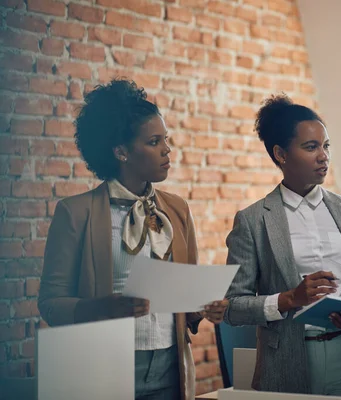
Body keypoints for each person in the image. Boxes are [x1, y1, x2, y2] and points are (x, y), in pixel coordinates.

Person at [38, 79, 229, 400]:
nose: (167, 149)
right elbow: (51, 304)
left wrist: (202, 309)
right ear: (121, 151)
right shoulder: (75, 213)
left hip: (172, 364)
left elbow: (184, 298)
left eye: (166, 139)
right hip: (103, 364)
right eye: (154, 141)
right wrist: (102, 307)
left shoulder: (178, 210)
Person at [224, 94, 341, 399]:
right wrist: (288, 299)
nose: (323, 156)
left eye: (326, 146)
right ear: (281, 154)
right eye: (311, 147)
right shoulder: (253, 220)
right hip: (288, 362)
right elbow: (232, 307)